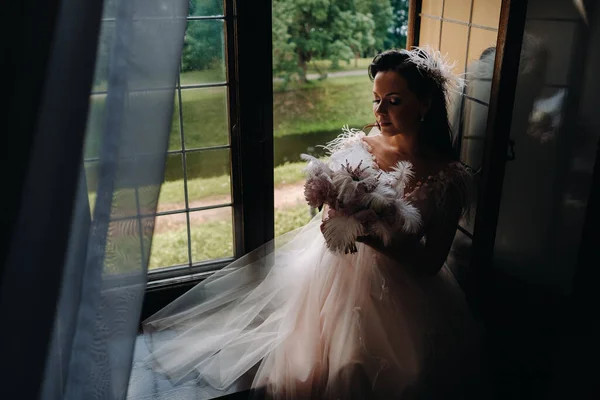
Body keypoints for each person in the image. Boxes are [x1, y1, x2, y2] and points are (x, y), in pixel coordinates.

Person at [143, 47, 482, 399]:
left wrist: (372, 237)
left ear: (425, 103)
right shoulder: (360, 148)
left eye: (393, 101)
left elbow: (430, 263)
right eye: (376, 99)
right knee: (331, 363)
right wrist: (336, 216)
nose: (380, 112)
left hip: (406, 293)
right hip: (338, 274)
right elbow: (329, 211)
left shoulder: (448, 177)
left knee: (393, 371)